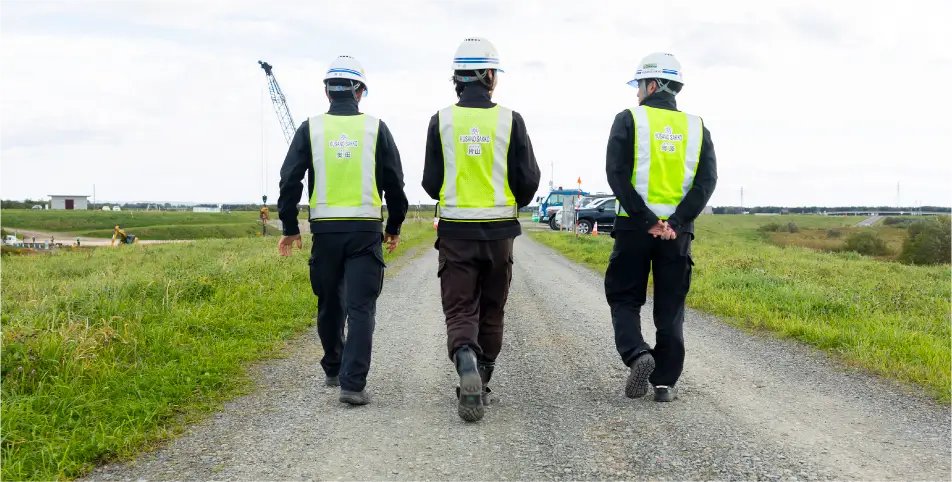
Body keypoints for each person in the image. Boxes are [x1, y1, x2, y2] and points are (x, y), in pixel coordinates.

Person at [276, 55, 409, 406]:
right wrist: (394, 225)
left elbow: (290, 178)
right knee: (361, 307)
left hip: (325, 233)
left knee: (329, 301)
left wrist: (290, 226)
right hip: (365, 232)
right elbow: (395, 181)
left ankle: (334, 367)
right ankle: (352, 384)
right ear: (360, 92)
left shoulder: (311, 128)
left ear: (327, 92)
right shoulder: (376, 128)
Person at [422, 37, 541, 422]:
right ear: (490, 75)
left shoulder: (440, 121)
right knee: (492, 308)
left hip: (456, 232)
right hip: (499, 234)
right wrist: (510, 202)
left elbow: (429, 180)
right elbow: (529, 178)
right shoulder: (510, 120)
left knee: (459, 309)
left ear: (456, 77)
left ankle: (465, 359)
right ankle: (482, 376)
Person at [604, 52, 718, 402]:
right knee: (670, 306)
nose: (637, 93)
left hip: (633, 228)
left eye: (639, 86)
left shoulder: (628, 120)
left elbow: (617, 174)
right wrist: (676, 222)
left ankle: (639, 354)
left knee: (624, 297)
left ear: (652, 84)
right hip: (677, 235)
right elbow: (706, 182)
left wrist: (647, 220)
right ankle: (665, 383)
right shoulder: (698, 127)